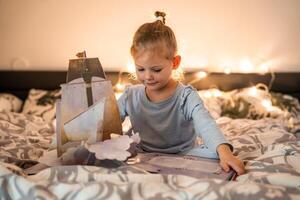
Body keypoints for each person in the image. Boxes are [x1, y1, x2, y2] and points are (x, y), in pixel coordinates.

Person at [118, 11, 245, 175]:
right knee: (111, 149)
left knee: (215, 153)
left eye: (156, 69)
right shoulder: (131, 96)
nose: (147, 76)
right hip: (143, 155)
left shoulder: (186, 96)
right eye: (140, 69)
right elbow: (107, 120)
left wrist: (225, 153)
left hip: (183, 155)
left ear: (175, 62)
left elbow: (206, 124)